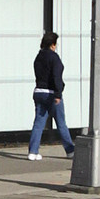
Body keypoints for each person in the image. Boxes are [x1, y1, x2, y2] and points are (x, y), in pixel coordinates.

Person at [29, 31, 74, 162]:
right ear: (53, 45)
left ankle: (33, 151)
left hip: (38, 92)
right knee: (61, 123)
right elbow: (57, 77)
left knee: (38, 123)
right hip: (51, 93)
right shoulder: (54, 58)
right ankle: (70, 150)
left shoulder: (38, 57)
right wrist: (58, 93)